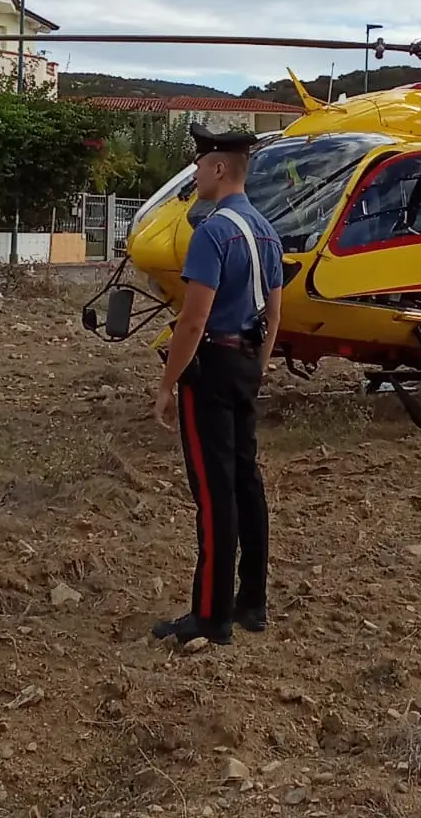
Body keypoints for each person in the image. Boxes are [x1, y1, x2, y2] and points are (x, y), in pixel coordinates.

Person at [152, 123, 284, 647]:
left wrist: (168, 381)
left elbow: (192, 319)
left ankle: (210, 616)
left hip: (212, 368)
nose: (197, 173)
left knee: (214, 491)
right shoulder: (266, 232)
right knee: (246, 483)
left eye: (201, 164)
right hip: (247, 362)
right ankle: (251, 601)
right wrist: (260, 363)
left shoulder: (212, 231)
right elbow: (275, 311)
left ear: (219, 167)